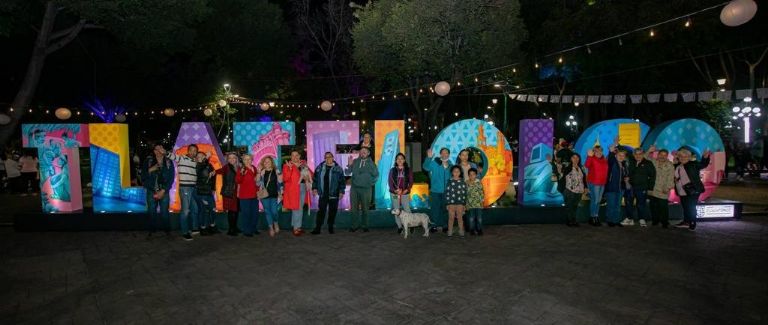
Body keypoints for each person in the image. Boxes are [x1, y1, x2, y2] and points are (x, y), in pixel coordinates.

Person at [160, 144, 199, 241]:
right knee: (185, 211)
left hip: (193, 188)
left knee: (195, 208)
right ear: (188, 150)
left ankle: (194, 228)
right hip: (185, 188)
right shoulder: (182, 158)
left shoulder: (195, 161)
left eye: (195, 151)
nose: (193, 152)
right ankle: (185, 232)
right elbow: (172, 156)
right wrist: (164, 152)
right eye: (191, 150)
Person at [141, 144, 175, 237]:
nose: (160, 150)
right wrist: (151, 169)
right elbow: (143, 176)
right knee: (151, 211)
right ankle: (152, 230)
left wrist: (163, 190)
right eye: (157, 149)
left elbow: (171, 178)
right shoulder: (148, 161)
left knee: (164, 212)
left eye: (161, 148)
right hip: (151, 190)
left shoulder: (168, 162)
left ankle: (167, 230)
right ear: (154, 151)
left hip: (164, 191)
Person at [674, 148, 711, 231]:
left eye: (685, 156)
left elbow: (703, 164)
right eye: (681, 156)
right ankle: (686, 222)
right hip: (682, 190)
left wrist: (705, 157)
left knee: (691, 207)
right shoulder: (678, 165)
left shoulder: (693, 164)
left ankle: (692, 223)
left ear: (689, 157)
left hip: (693, 189)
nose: (683, 158)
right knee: (685, 206)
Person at [311, 152, 346, 235]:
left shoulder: (338, 169)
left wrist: (341, 192)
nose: (328, 158)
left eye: (330, 157)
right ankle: (318, 228)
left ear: (333, 158)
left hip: (334, 194)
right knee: (321, 211)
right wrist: (314, 188)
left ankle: (330, 227)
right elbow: (315, 179)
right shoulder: (319, 168)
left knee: (332, 211)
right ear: (324, 158)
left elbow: (342, 182)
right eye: (326, 157)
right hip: (323, 194)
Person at [621, 147, 656, 227]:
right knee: (628, 203)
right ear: (633, 155)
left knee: (641, 204)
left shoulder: (648, 163)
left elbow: (653, 176)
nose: (638, 156)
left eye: (640, 154)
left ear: (643, 154)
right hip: (630, 187)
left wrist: (650, 188)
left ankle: (642, 219)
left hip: (642, 188)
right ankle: (629, 219)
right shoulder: (631, 162)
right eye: (636, 154)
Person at [346, 147, 378, 232]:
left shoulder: (371, 164)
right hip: (354, 189)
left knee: (365, 208)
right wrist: (349, 165)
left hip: (366, 189)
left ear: (368, 153)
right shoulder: (355, 161)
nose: (362, 152)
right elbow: (347, 172)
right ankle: (354, 226)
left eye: (365, 151)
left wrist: (369, 184)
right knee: (353, 208)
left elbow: (376, 175)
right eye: (361, 151)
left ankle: (365, 226)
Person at [283, 150, 312, 236]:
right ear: (290, 157)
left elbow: (311, 174)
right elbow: (286, 178)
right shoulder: (287, 165)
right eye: (293, 155)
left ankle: (296, 226)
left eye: (297, 155)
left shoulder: (303, 164)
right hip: (293, 190)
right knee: (297, 208)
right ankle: (296, 228)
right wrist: (291, 168)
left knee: (300, 208)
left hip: (303, 188)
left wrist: (308, 176)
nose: (295, 157)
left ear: (299, 156)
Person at [423, 147, 453, 232]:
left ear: (448, 154)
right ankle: (434, 226)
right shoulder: (434, 163)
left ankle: (445, 225)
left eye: (446, 152)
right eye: (443, 152)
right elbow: (425, 167)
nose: (444, 154)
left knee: (445, 209)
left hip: (447, 192)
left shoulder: (451, 165)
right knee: (435, 209)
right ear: (440, 154)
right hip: (435, 191)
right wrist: (428, 157)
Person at [646, 145, 675, 228]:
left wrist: (668, 188)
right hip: (653, 189)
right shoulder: (653, 162)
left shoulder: (670, 165)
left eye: (664, 155)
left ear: (667, 156)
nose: (662, 156)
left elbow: (671, 178)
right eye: (661, 154)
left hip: (663, 190)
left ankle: (664, 222)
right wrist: (649, 150)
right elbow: (643, 158)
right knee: (653, 206)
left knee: (663, 207)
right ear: (657, 155)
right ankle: (655, 221)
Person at [558, 153, 587, 227]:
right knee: (569, 206)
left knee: (575, 207)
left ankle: (574, 220)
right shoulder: (567, 167)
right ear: (571, 159)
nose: (576, 159)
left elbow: (583, 178)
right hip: (569, 190)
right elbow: (561, 175)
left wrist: (585, 187)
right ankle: (570, 221)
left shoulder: (581, 167)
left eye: (577, 157)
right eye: (574, 157)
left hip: (579, 191)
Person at [389, 153, 414, 233]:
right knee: (396, 209)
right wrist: (394, 190)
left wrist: (407, 189)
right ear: (396, 160)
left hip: (405, 193)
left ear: (404, 160)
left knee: (407, 209)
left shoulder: (408, 170)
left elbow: (411, 181)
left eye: (401, 158)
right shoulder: (392, 170)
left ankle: (411, 225)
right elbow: (390, 182)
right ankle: (399, 227)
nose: (400, 160)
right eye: (398, 159)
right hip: (395, 194)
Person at [194, 151, 217, 236]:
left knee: (213, 209)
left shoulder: (209, 165)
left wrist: (214, 188)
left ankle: (212, 226)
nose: (200, 157)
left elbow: (214, 177)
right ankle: (203, 228)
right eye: (198, 156)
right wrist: (206, 158)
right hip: (201, 192)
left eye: (202, 156)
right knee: (203, 210)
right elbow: (199, 170)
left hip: (209, 192)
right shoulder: (196, 166)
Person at [235, 154, 259, 237]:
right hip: (244, 196)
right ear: (243, 160)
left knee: (254, 213)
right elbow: (238, 180)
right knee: (246, 214)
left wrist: (258, 191)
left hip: (254, 195)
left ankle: (253, 228)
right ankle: (247, 231)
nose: (247, 161)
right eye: (245, 159)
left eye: (249, 159)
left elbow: (256, 181)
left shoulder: (254, 168)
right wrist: (241, 173)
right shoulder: (241, 169)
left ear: (252, 160)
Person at [605, 144, 629, 227]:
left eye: (623, 155)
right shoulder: (612, 162)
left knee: (617, 205)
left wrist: (626, 178)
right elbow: (610, 159)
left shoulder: (624, 164)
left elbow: (624, 175)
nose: (621, 157)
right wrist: (611, 151)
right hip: (611, 188)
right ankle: (610, 220)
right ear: (616, 155)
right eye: (620, 155)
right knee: (611, 205)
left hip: (620, 189)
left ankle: (616, 220)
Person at [258, 156, 282, 237]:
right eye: (265, 161)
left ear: (272, 162)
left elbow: (280, 181)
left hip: (274, 195)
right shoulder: (261, 171)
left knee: (274, 212)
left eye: (268, 161)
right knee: (268, 211)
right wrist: (259, 173)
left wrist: (278, 173)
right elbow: (257, 183)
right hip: (264, 195)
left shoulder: (276, 171)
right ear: (263, 163)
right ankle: (271, 228)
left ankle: (276, 223)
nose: (267, 163)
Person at [217, 153, 240, 236]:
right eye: (230, 158)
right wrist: (212, 172)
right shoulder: (226, 167)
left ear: (236, 159)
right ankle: (231, 229)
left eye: (233, 158)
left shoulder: (239, 168)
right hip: (229, 193)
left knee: (236, 211)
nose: (232, 159)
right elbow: (218, 171)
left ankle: (235, 227)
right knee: (231, 211)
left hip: (237, 193)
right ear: (227, 159)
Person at [584, 145, 608, 226]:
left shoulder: (604, 160)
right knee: (595, 200)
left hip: (602, 183)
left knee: (598, 201)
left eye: (600, 150)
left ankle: (595, 216)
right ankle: (593, 217)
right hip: (594, 183)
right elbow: (586, 165)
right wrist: (589, 156)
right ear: (594, 152)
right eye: (596, 151)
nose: (599, 152)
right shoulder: (592, 158)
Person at [445, 165, 467, 237]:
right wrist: (447, 203)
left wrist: (464, 204)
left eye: (458, 171)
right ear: (452, 172)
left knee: (460, 218)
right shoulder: (449, 181)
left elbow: (464, 193)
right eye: (454, 171)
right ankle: (450, 231)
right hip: (451, 203)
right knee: (451, 218)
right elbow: (447, 192)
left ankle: (461, 230)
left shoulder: (463, 182)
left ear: (460, 172)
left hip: (460, 203)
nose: (456, 173)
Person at [465, 168, 485, 236]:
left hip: (478, 204)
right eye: (470, 175)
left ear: (476, 175)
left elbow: (481, 192)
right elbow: (466, 194)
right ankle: (472, 230)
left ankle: (479, 229)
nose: (472, 176)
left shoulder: (479, 182)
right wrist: (466, 204)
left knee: (479, 218)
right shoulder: (466, 183)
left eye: (473, 174)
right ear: (468, 175)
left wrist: (482, 201)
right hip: (470, 204)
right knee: (471, 218)